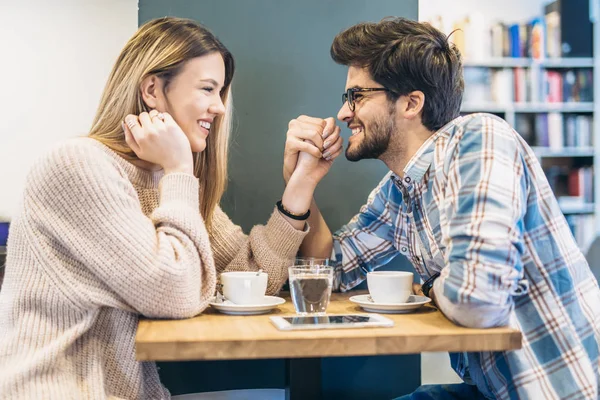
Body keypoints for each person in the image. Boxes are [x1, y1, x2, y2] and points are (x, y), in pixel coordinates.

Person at [0, 17, 343, 399]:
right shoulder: (77, 166)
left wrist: (301, 185)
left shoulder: (164, 182)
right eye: (208, 89)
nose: (219, 108)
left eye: (221, 92)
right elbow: (175, 294)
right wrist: (180, 169)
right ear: (152, 89)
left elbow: (253, 278)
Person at [285, 17, 600, 399]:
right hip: (491, 390)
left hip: (553, 390)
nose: (344, 114)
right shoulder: (398, 191)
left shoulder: (479, 140)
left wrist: (431, 286)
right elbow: (329, 270)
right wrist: (301, 182)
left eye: (357, 97)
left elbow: (477, 301)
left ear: (411, 103)